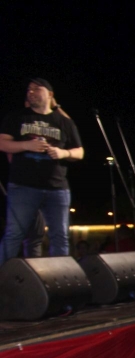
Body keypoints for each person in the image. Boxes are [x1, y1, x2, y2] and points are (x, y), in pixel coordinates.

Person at [0, 78, 83, 264]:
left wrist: (63, 153)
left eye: (37, 89)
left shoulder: (64, 122)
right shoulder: (17, 117)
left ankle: (60, 275)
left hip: (57, 187)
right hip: (23, 186)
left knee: (60, 236)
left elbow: (80, 151)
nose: (31, 92)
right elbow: (2, 143)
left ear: (50, 94)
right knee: (14, 233)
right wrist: (26, 145)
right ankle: (4, 275)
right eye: (29, 89)